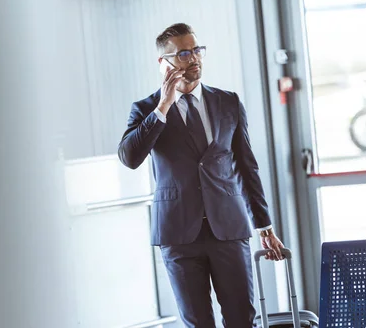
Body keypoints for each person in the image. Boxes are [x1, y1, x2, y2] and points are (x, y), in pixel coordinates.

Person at [118, 23, 284, 327]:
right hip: (178, 234)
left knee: (241, 319)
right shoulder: (145, 109)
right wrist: (163, 107)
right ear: (164, 63)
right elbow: (129, 157)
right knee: (198, 323)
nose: (194, 58)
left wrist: (265, 226)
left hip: (228, 229)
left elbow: (247, 167)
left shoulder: (228, 102)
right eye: (183, 53)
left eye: (197, 50)